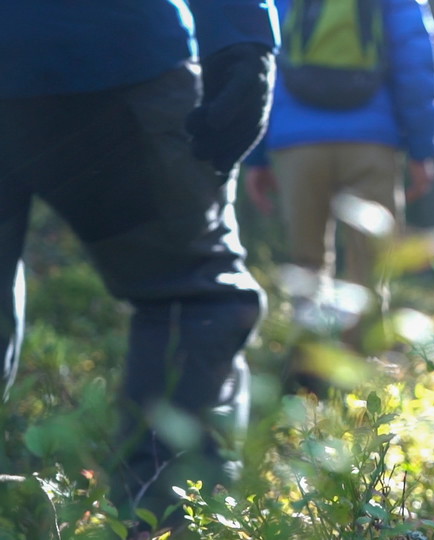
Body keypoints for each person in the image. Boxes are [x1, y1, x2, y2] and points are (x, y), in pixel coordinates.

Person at [0, 1, 279, 535]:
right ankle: (168, 521)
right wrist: (242, 33)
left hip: (102, 50)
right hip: (110, 51)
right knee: (191, 294)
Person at [243, 0, 434, 356]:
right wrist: (421, 149)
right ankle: (364, 382)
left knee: (307, 266)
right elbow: (416, 62)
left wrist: (256, 157)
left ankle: (308, 382)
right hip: (372, 139)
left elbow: (259, 55)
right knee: (372, 264)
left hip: (297, 142)